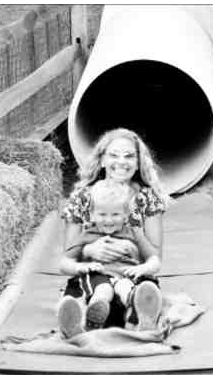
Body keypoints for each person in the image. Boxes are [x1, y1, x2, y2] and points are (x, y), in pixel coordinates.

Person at [57, 128, 170, 338]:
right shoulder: (83, 197)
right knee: (93, 297)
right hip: (95, 276)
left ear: (138, 162)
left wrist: (132, 247)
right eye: (114, 155)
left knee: (135, 294)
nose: (121, 161)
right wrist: (89, 250)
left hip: (131, 274)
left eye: (129, 156)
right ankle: (79, 322)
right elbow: (68, 258)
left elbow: (154, 257)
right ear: (102, 160)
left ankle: (139, 316)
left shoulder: (147, 197)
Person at [58, 180, 161, 336]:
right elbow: (64, 263)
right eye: (102, 214)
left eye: (115, 214)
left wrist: (142, 268)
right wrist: (81, 267)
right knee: (103, 290)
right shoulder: (88, 235)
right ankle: (91, 320)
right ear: (92, 214)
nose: (109, 220)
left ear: (126, 215)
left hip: (127, 276)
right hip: (99, 276)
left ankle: (140, 317)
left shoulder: (134, 233)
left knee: (126, 286)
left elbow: (155, 261)